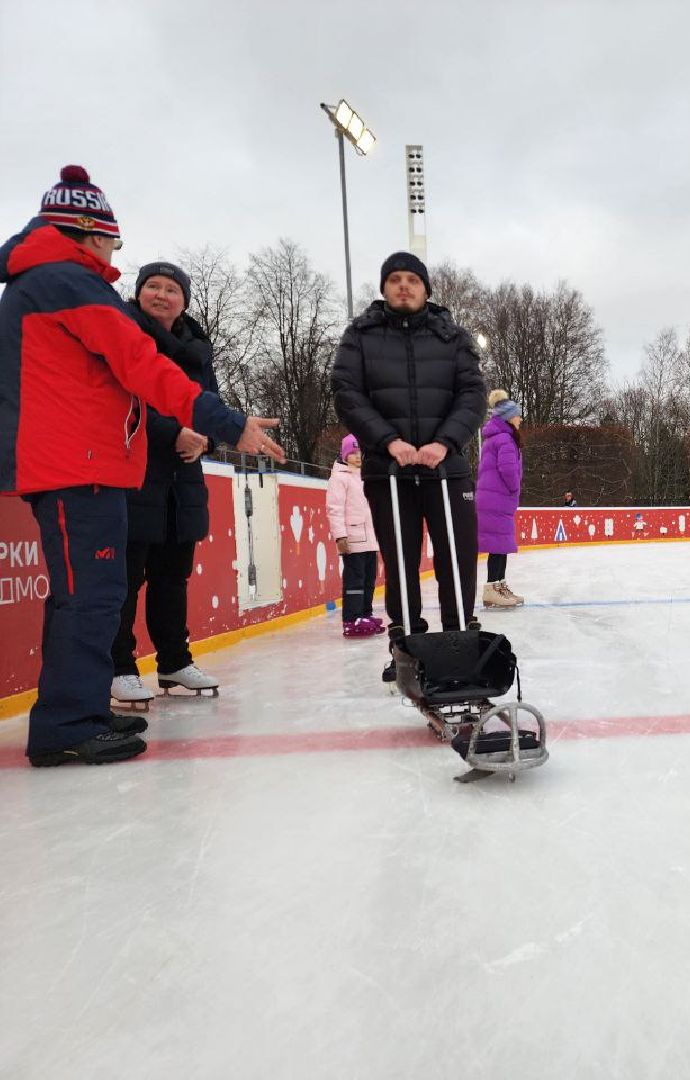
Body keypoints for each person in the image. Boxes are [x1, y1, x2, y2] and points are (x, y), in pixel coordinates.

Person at [0, 166, 284, 766]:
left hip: (76, 461)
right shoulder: (68, 281)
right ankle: (65, 727)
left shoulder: (46, 282)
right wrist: (230, 425)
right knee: (91, 597)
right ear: (89, 234)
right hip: (78, 464)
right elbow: (144, 368)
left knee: (85, 596)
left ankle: (74, 709)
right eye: (112, 242)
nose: (113, 255)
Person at [331, 252, 486, 677]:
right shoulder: (360, 336)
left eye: (412, 279)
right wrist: (388, 442)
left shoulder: (451, 337)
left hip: (446, 469)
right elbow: (347, 393)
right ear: (383, 288)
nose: (403, 286)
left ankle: (459, 640)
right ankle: (406, 643)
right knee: (400, 560)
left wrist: (445, 442)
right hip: (389, 471)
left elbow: (472, 393)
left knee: (456, 558)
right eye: (395, 279)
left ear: (426, 289)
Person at [109, 262, 225, 709]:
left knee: (172, 576)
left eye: (171, 288)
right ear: (138, 293)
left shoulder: (197, 349)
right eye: (152, 286)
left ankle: (174, 660)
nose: (161, 294)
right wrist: (170, 433)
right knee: (127, 576)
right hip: (135, 470)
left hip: (183, 476)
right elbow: (125, 397)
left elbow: (209, 404)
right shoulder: (123, 334)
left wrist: (208, 439)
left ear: (184, 300)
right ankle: (120, 665)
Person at [326, 434, 384, 637]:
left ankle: (365, 614)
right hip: (352, 539)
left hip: (370, 539)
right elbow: (334, 509)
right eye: (353, 452)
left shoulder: (364, 476)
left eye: (360, 452)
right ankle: (351, 619)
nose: (358, 456)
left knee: (369, 579)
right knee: (355, 580)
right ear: (345, 454)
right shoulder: (339, 478)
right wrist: (340, 537)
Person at [476, 390, 526, 608]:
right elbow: (508, 469)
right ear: (508, 417)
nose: (520, 419)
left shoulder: (495, 437)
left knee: (500, 544)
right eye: (517, 415)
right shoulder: (505, 439)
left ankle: (498, 585)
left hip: (492, 498)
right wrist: (515, 488)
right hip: (498, 498)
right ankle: (493, 588)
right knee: (498, 544)